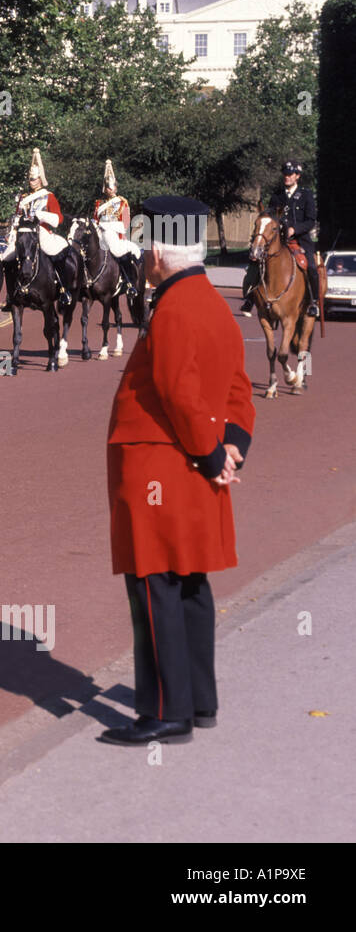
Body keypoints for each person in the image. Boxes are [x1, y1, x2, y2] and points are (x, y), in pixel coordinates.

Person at [102, 196, 255, 746]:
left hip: (159, 462)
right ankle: (200, 701)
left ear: (162, 253)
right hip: (194, 459)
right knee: (190, 581)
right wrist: (230, 448)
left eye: (147, 247)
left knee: (153, 584)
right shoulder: (212, 303)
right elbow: (239, 386)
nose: (143, 257)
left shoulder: (171, 308)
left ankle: (166, 712)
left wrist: (212, 455)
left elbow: (176, 390)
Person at [242, 160, 319, 318]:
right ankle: (250, 298)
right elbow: (269, 217)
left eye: (290, 174)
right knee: (256, 262)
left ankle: (314, 302)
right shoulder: (277, 196)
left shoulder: (306, 195)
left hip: (300, 239)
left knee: (310, 266)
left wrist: (294, 229)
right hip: (278, 240)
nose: (287, 177)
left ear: (297, 176)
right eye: (285, 174)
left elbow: (311, 220)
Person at [2, 148, 75, 310]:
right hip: (24, 233)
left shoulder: (48, 196)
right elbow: (17, 217)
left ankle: (63, 289)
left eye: (34, 179)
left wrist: (40, 215)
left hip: (43, 232)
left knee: (56, 255)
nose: (31, 181)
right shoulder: (23, 198)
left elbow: (58, 219)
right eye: (30, 179)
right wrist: (13, 233)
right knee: (6, 259)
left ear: (40, 179)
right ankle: (11, 295)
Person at [93, 159, 142, 298]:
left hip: (115, 237)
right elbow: (95, 220)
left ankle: (129, 282)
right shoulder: (99, 203)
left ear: (116, 187)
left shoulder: (122, 202)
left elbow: (125, 224)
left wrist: (107, 226)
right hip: (101, 236)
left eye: (112, 186)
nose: (110, 189)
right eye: (107, 187)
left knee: (118, 252)